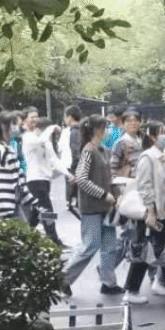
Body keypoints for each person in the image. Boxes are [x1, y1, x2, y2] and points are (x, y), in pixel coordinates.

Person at [123, 121, 165, 304]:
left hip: (161, 212)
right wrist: (150, 212)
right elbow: (145, 186)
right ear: (152, 137)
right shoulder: (148, 157)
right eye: (161, 133)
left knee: (163, 250)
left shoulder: (164, 156)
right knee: (147, 251)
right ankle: (133, 291)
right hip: (151, 214)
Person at [63, 115, 123, 296]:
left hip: (106, 206)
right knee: (90, 245)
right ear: (98, 130)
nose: (108, 131)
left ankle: (109, 282)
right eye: (106, 127)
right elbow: (81, 179)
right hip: (92, 207)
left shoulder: (102, 150)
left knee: (110, 247)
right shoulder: (88, 151)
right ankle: (63, 279)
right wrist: (103, 194)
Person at [22, 108, 71, 246]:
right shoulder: (28, 138)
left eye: (36, 116)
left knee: (36, 212)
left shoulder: (46, 140)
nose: (35, 119)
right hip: (34, 180)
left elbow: (54, 159)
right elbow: (40, 140)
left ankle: (23, 237)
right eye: (32, 117)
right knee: (47, 210)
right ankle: (54, 240)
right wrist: (51, 128)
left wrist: (68, 174)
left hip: (45, 179)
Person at [0, 112, 38, 223]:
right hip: (9, 204)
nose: (16, 128)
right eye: (14, 125)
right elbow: (13, 181)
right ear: (5, 128)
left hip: (5, 202)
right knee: (23, 231)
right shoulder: (4, 151)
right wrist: (32, 201)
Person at [58, 105, 82, 215]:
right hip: (77, 162)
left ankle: (70, 201)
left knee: (70, 183)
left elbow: (60, 147)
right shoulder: (82, 129)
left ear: (70, 117)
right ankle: (76, 201)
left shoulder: (68, 131)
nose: (64, 119)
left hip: (70, 163)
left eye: (65, 117)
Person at [110, 109, 142, 178]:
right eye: (129, 121)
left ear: (140, 123)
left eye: (136, 120)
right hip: (128, 182)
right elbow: (113, 168)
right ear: (123, 124)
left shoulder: (142, 141)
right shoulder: (121, 143)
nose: (133, 123)